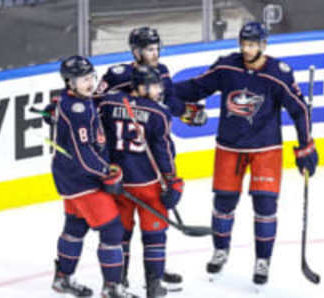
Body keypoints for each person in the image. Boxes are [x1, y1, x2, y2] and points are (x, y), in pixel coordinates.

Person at [174, 22, 319, 285]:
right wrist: (164, 90)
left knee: (265, 206)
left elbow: (299, 110)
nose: (246, 49)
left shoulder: (278, 73)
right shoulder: (227, 66)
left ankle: (262, 260)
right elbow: (197, 87)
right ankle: (220, 250)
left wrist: (306, 145)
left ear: (263, 45)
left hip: (266, 150)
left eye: (252, 44)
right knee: (223, 203)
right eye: (243, 44)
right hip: (229, 147)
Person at [96, 26, 205, 290]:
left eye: (157, 48)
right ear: (136, 51)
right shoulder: (118, 75)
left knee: (145, 227)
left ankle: (151, 270)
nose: (154, 54)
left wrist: (188, 113)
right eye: (148, 50)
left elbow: (167, 101)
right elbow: (94, 103)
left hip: (148, 149)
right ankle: (137, 276)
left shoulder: (162, 72)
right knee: (140, 226)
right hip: (133, 161)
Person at [50, 55, 138, 298]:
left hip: (69, 178)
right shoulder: (77, 109)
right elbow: (82, 151)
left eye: (91, 77)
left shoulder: (75, 98)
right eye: (83, 79)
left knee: (76, 226)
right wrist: (106, 172)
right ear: (70, 82)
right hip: (82, 179)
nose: (89, 83)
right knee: (112, 230)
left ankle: (63, 279)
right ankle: (112, 288)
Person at [98, 65, 184, 298]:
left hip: (118, 183)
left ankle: (119, 281)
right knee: (154, 236)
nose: (159, 90)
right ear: (140, 87)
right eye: (155, 85)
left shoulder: (108, 103)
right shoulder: (159, 113)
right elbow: (163, 151)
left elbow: (98, 136)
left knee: (120, 235)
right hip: (147, 184)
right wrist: (173, 180)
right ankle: (154, 285)